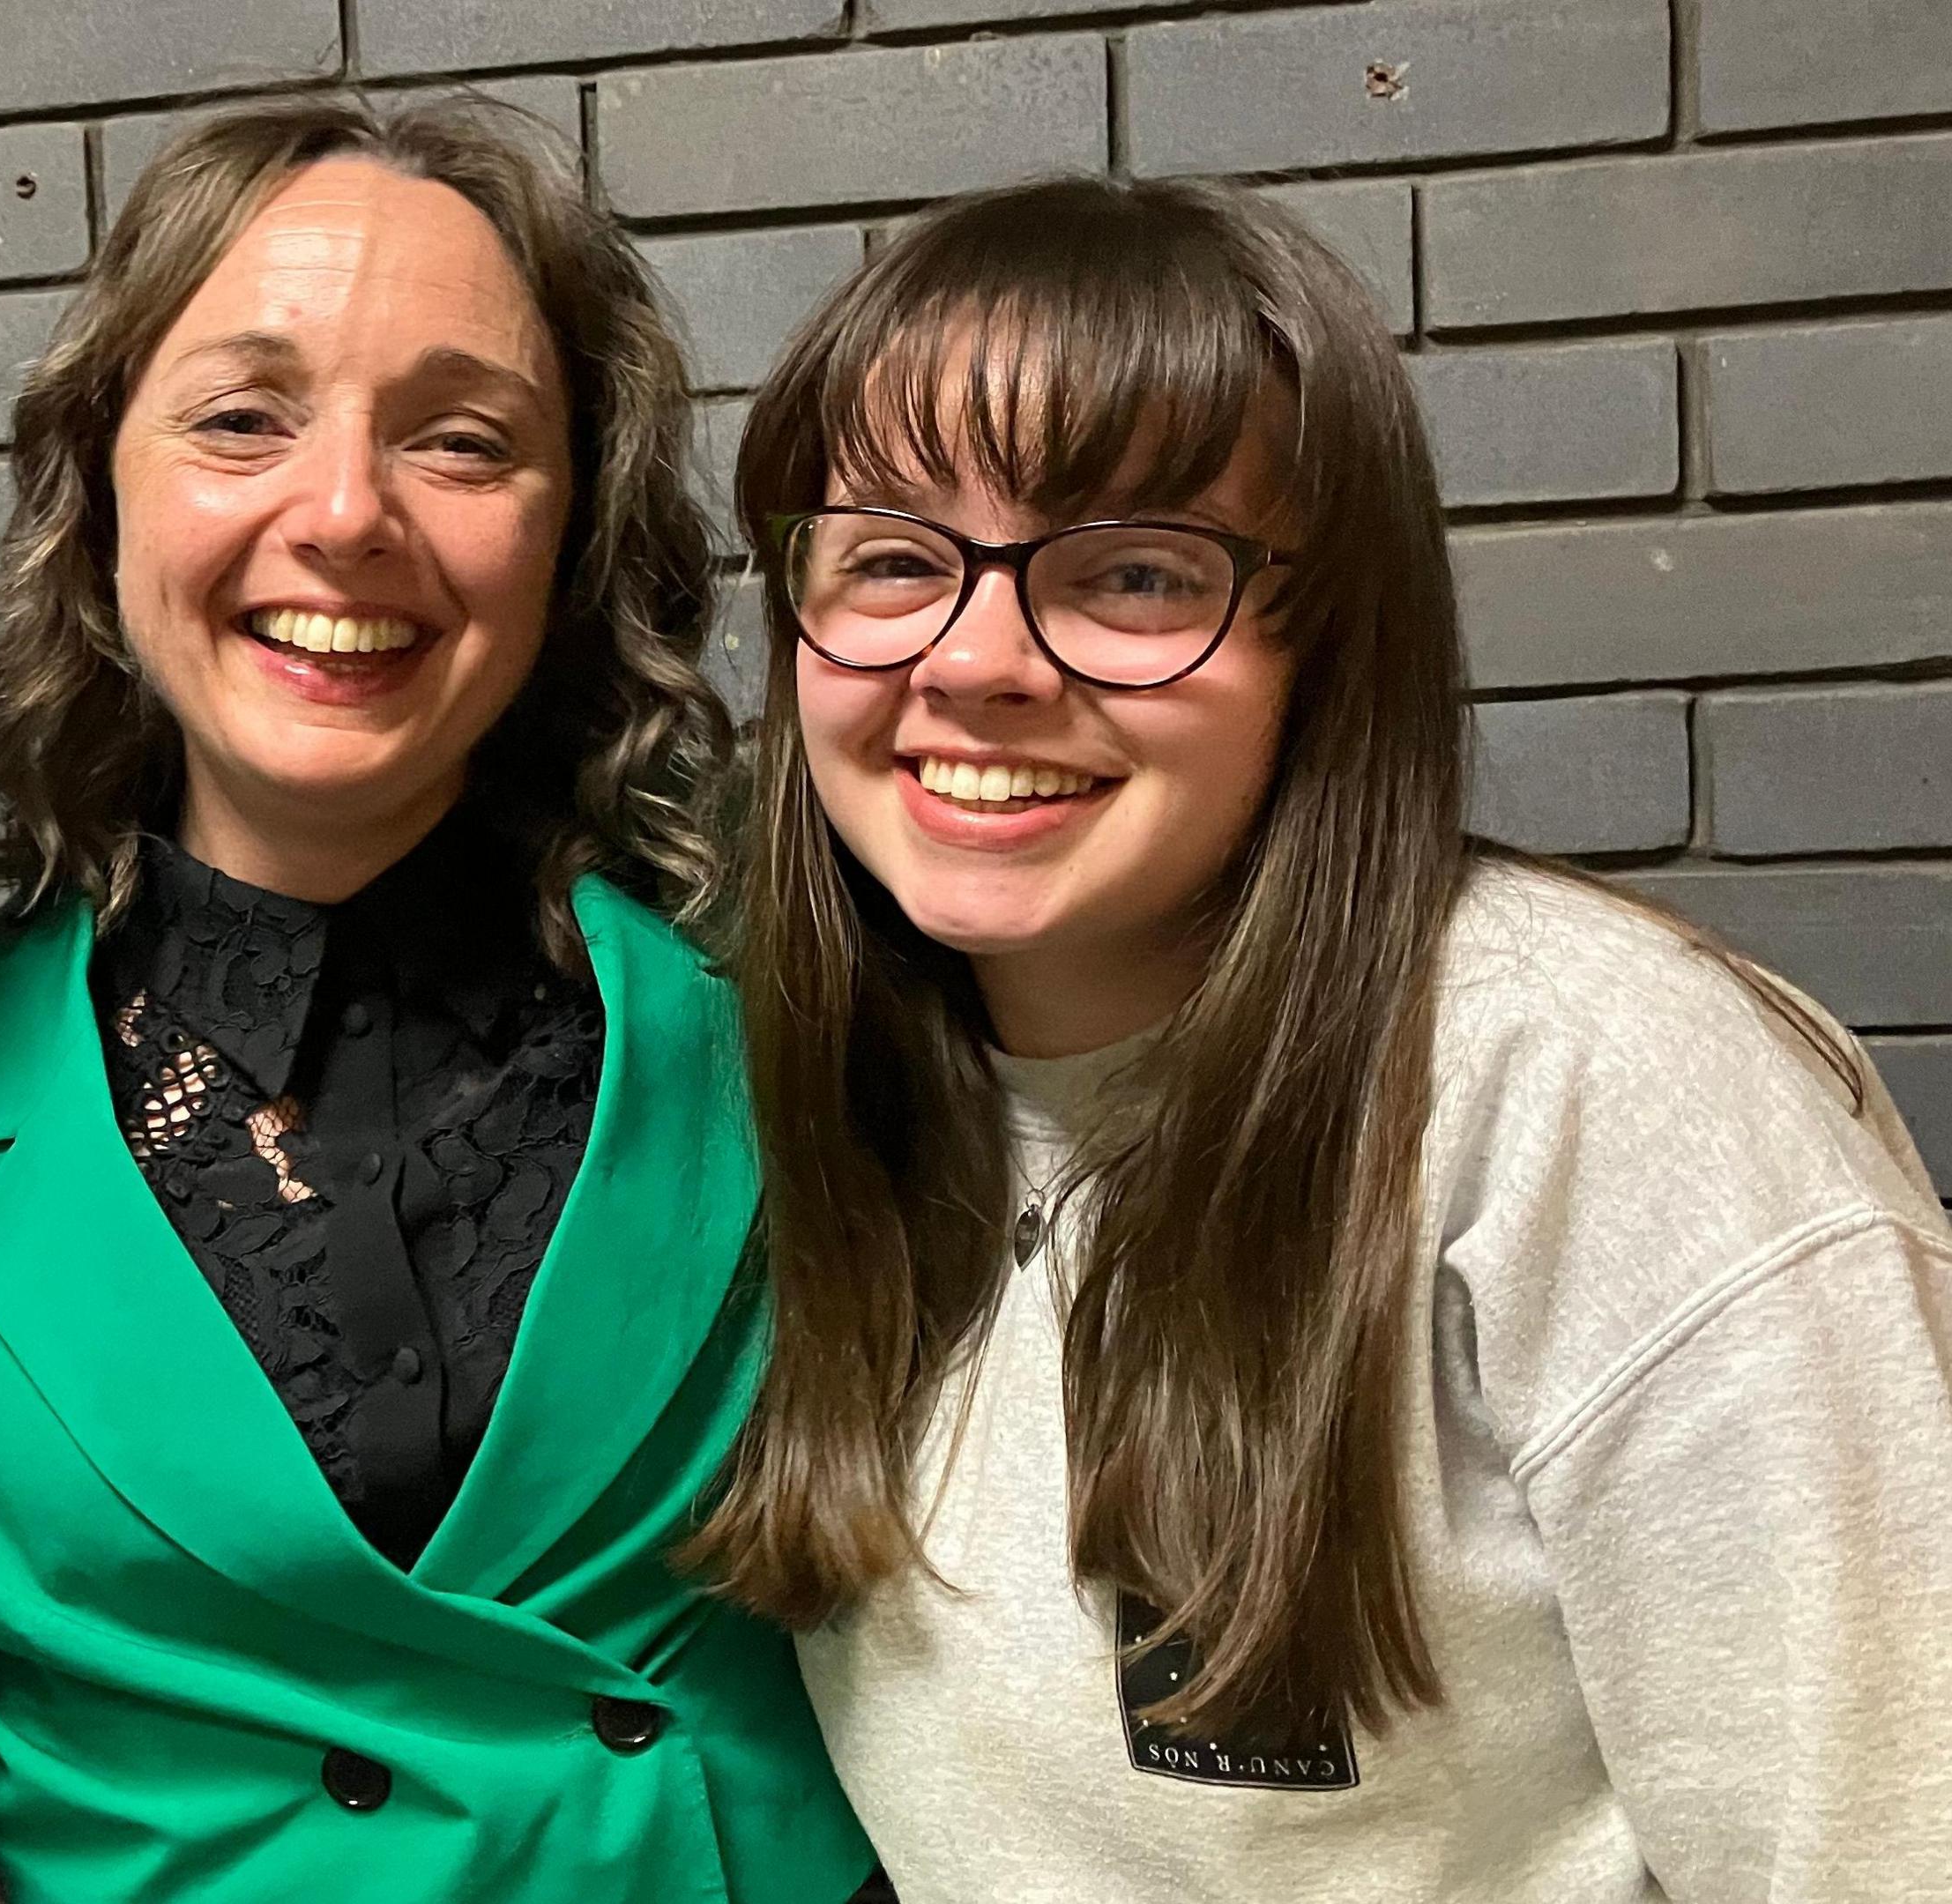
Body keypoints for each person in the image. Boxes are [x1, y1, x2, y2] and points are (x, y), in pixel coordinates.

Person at [696, 174, 1952, 1902]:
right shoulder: (821, 1095)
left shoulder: (1596, 1090)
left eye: (1135, 573)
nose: (977, 659)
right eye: (896, 560)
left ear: (1326, 646)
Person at [0, 97, 879, 1903]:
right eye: (242, 417)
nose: (344, 513)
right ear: (102, 483)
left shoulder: (806, 1031)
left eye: (463, 438)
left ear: (570, 525)